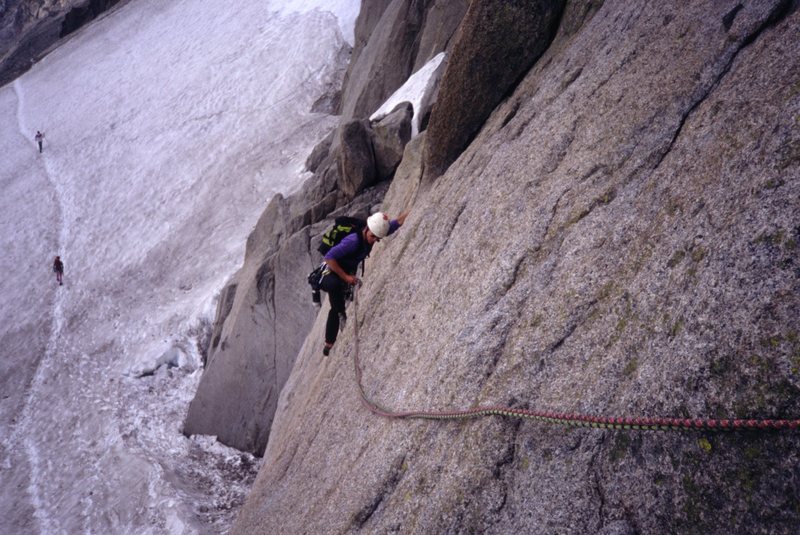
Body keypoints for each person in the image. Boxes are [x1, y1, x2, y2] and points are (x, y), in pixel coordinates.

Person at [320, 210, 408, 356]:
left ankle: (329, 342)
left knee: (337, 303)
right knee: (336, 301)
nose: (373, 240)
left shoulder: (373, 232)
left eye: (377, 239)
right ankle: (329, 342)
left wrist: (408, 213)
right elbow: (329, 258)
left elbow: (395, 224)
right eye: (372, 236)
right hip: (331, 270)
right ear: (367, 229)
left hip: (345, 269)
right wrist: (346, 277)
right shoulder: (353, 241)